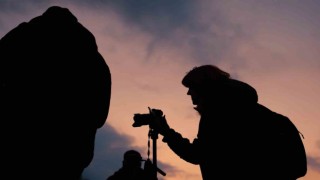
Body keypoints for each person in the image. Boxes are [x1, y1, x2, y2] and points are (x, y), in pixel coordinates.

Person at [0, 6, 111, 179]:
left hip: (17, 143)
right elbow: (99, 115)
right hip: (71, 151)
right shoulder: (95, 61)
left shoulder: (23, 36)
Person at [148, 64, 306, 179]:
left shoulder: (217, 116)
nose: (189, 93)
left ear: (205, 88)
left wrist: (165, 131)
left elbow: (196, 155)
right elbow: (299, 168)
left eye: (191, 87)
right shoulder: (268, 115)